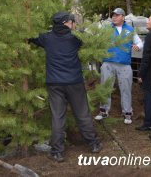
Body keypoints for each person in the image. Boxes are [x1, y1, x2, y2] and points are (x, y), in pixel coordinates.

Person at [28, 11, 102, 162]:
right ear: (66, 23)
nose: (74, 24)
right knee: (82, 114)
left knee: (58, 117)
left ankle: (57, 152)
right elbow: (91, 40)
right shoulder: (76, 37)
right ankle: (93, 144)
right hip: (74, 82)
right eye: (72, 21)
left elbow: (30, 37)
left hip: (54, 84)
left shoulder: (46, 38)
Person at [95, 8, 143, 124]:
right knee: (105, 87)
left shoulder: (130, 30)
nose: (114, 17)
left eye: (116, 15)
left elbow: (140, 42)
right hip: (108, 63)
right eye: (113, 15)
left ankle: (127, 113)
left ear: (123, 17)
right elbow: (97, 40)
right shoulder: (106, 28)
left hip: (124, 64)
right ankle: (103, 111)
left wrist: (138, 47)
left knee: (126, 89)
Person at [135, 14, 151, 131]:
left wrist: (141, 74)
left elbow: (147, 56)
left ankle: (148, 123)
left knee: (149, 98)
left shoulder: (150, 36)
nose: (147, 22)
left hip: (150, 73)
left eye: (149, 20)